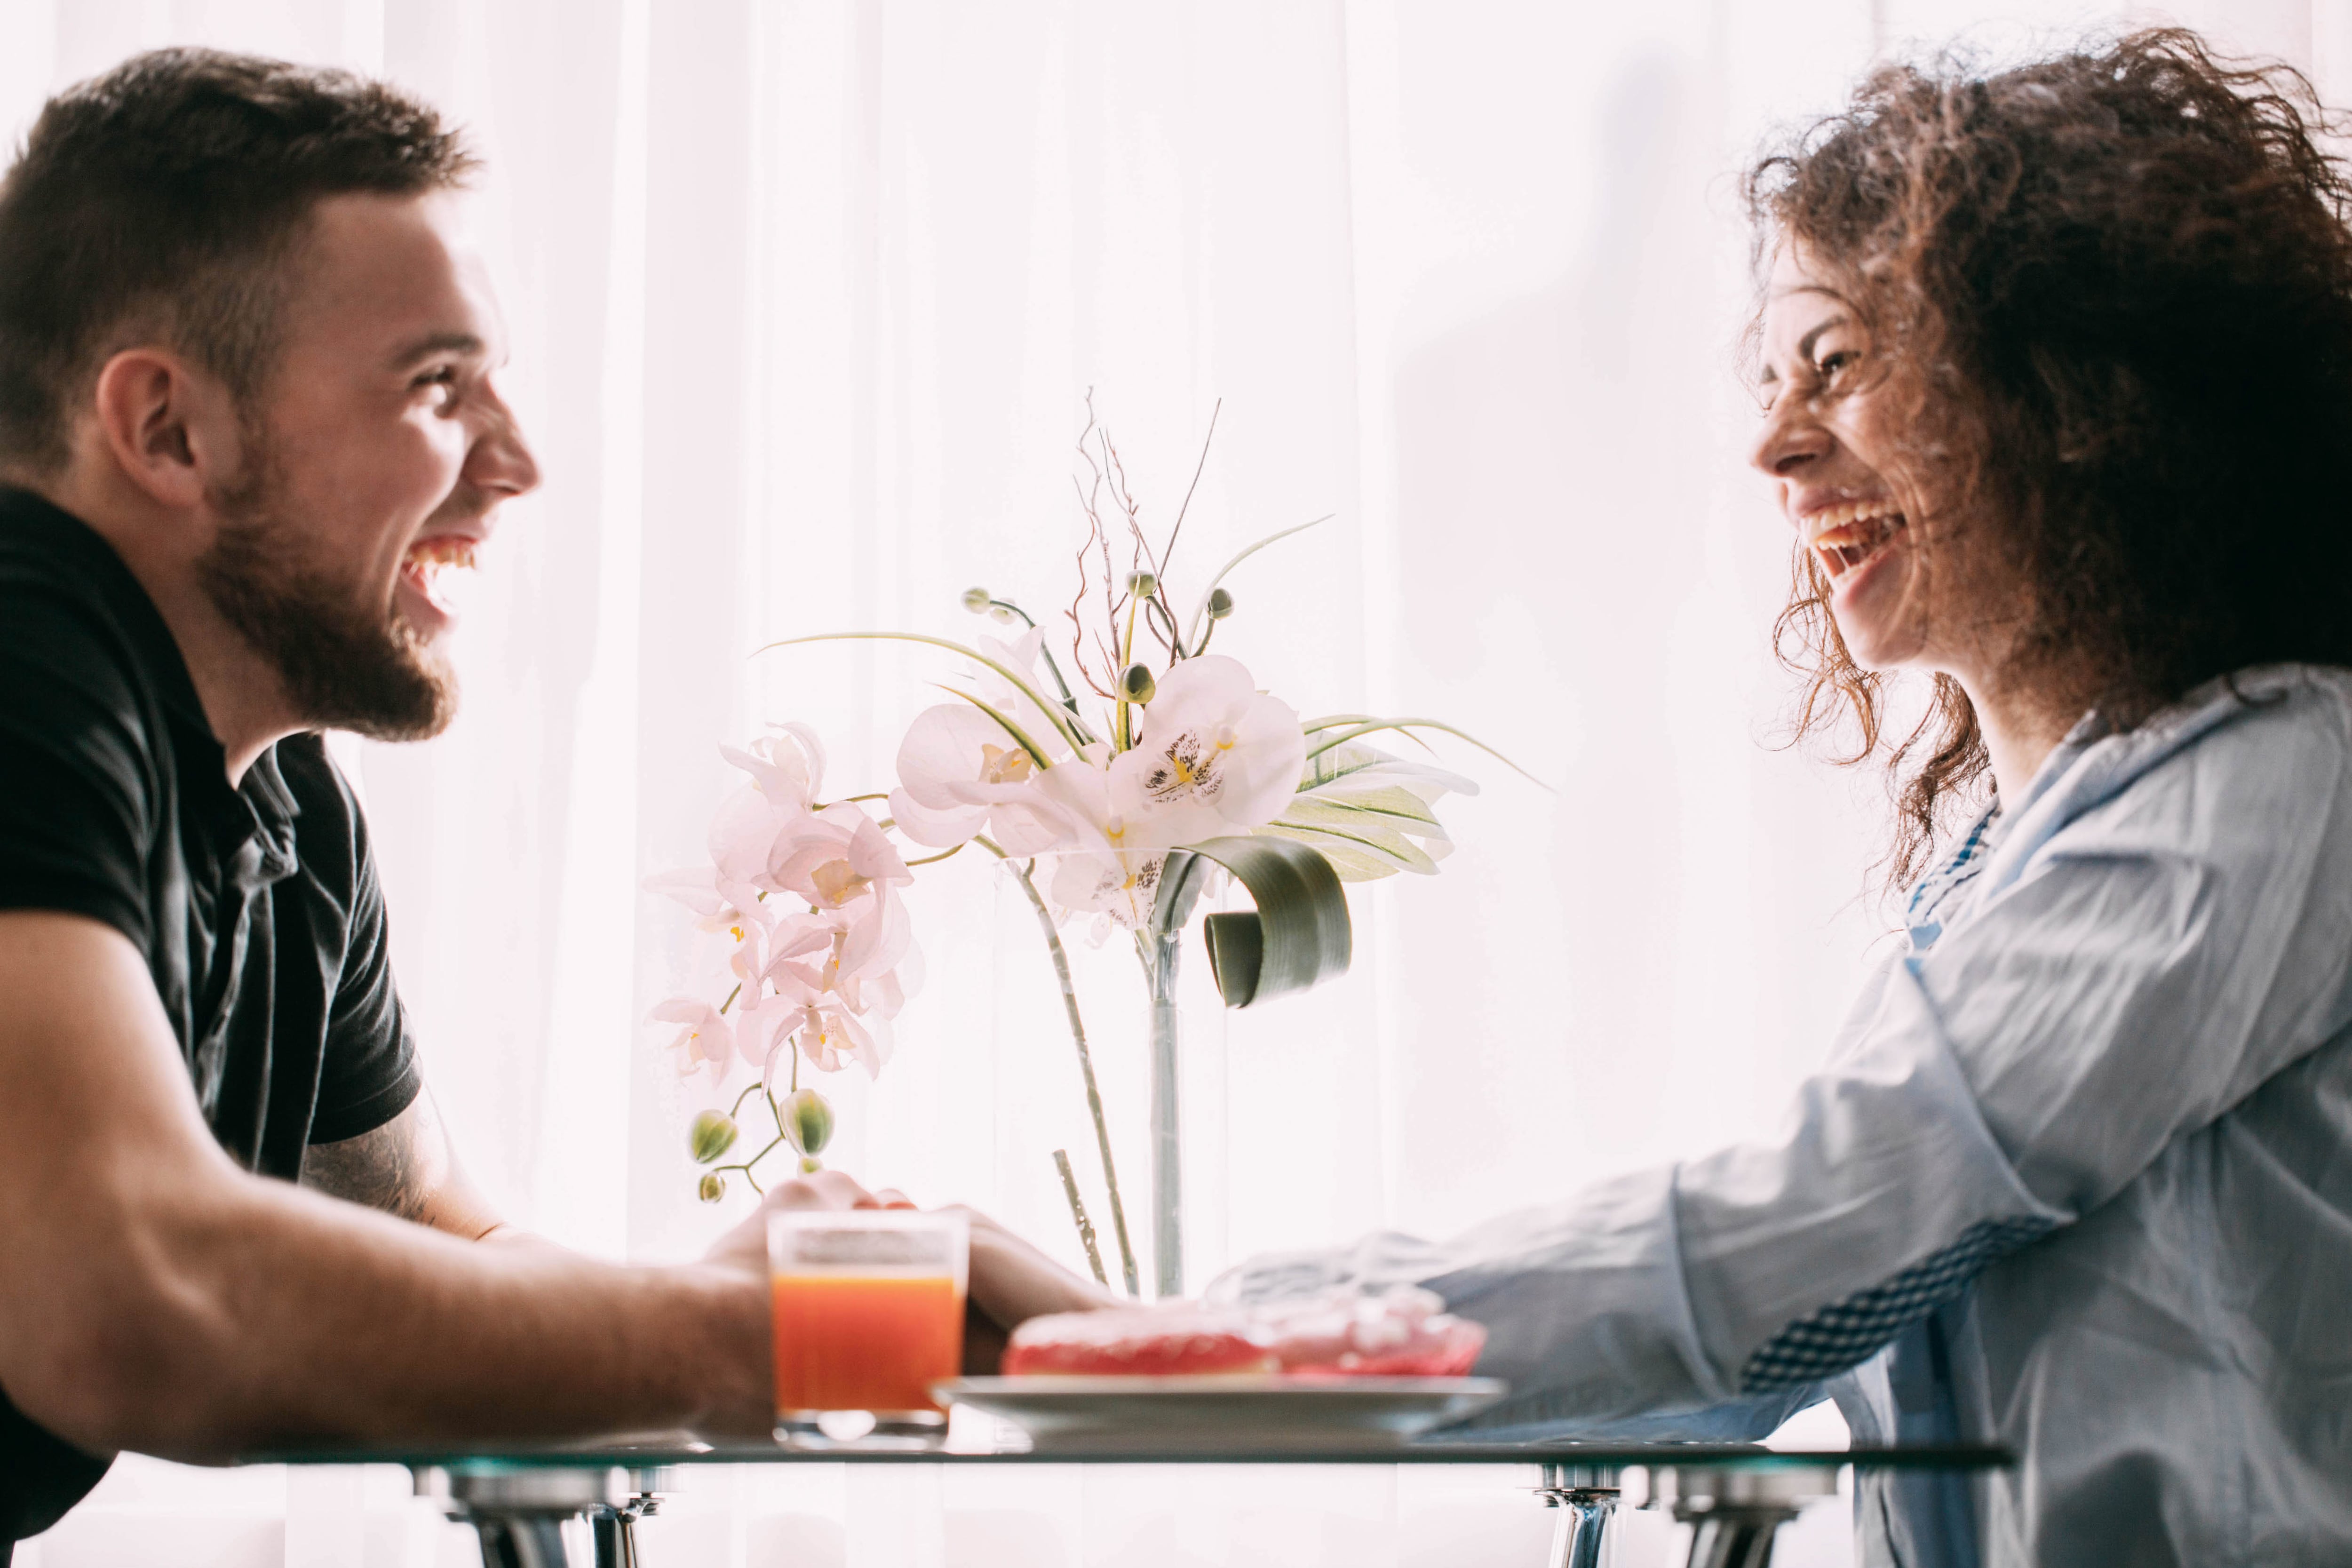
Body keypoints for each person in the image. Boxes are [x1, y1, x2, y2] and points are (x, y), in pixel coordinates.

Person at [957, 29, 2352, 1567]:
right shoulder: (2005, 857)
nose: (1772, 443)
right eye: (1768, 377)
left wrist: (1182, 1349)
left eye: (1842, 365)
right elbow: (1774, 1319)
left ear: (2082, 395)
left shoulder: (2275, 787)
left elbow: (1816, 1233)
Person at [0, 50, 1102, 1552]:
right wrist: (755, 1339)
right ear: (169, 429)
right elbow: (122, 1304)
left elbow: (437, 1250)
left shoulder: (282, 804)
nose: (514, 463)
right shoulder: (22, 653)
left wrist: (851, 1288)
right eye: (436, 386)